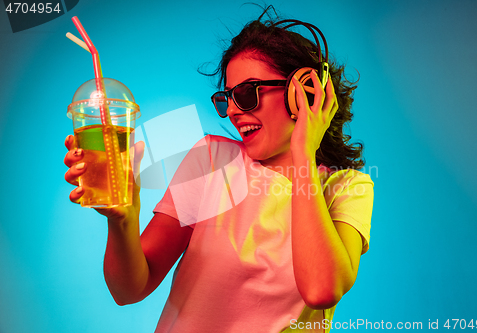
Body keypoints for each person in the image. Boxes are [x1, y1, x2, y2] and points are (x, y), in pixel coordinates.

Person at [64, 11, 374, 333]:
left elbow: (321, 289)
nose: (231, 111)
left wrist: (303, 154)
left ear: (303, 94)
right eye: (226, 97)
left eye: (246, 94)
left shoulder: (348, 188)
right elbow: (127, 290)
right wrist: (122, 220)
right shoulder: (212, 159)